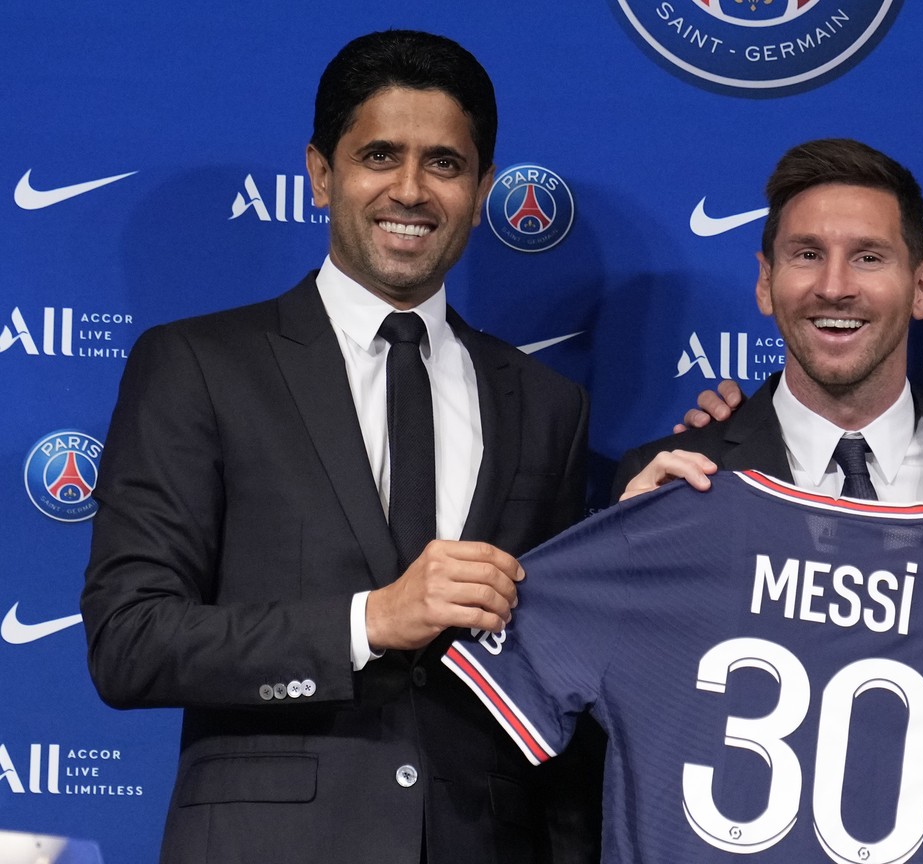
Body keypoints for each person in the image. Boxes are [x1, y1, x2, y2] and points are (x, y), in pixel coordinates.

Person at [80, 30, 598, 864]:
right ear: (322, 174)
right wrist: (370, 621)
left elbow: (557, 681)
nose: (411, 190)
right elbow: (130, 643)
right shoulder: (200, 367)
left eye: (445, 164)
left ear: (483, 188)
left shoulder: (546, 406)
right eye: (380, 155)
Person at [615, 137, 923, 863]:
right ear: (764, 284)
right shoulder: (671, 482)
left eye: (868, 256)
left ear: (922, 287)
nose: (834, 287)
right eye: (805, 255)